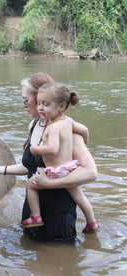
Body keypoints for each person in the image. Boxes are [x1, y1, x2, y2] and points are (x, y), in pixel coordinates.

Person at [0, 73, 98, 242]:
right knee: (30, 260)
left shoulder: (67, 129)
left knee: (60, 261)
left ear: (41, 98)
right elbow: (31, 167)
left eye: (26, 100)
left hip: (58, 213)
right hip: (33, 213)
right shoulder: (34, 125)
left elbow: (91, 173)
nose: (23, 105)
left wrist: (51, 183)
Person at [23, 82, 97, 233]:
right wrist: (84, 141)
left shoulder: (53, 126)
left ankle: (36, 217)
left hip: (55, 172)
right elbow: (85, 129)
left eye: (45, 104)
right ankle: (92, 223)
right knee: (80, 197)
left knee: (30, 185)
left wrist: (36, 149)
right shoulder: (67, 121)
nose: (40, 108)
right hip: (69, 168)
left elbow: (52, 149)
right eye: (38, 104)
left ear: (61, 106)